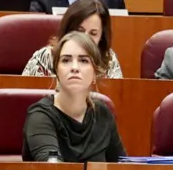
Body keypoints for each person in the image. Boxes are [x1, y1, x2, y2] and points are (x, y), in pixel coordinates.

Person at [21, 32, 125, 162]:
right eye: (66, 60)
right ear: (56, 71)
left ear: (95, 72)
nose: (74, 68)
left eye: (83, 60)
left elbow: (121, 167)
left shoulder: (102, 114)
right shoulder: (40, 116)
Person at [21, 0, 123, 78]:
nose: (85, 39)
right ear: (68, 29)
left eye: (93, 33)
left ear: (101, 37)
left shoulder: (108, 59)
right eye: (79, 31)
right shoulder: (45, 57)